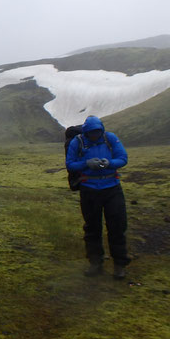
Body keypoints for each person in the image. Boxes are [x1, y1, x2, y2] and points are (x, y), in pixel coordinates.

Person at [65, 115, 131, 279]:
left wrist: (109, 163)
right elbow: (70, 164)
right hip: (89, 190)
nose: (95, 136)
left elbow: (123, 158)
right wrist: (86, 164)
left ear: (101, 130)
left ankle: (119, 264)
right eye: (92, 133)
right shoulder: (77, 142)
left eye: (97, 132)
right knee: (92, 227)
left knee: (117, 226)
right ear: (86, 132)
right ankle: (95, 263)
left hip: (112, 188)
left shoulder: (110, 138)